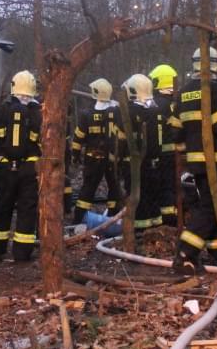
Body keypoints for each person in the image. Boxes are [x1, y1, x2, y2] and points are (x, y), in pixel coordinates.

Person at [0, 70, 42, 262]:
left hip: (3, 168)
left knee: (2, 209)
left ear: (13, 87)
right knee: (27, 210)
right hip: (29, 169)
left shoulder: (1, 109)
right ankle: (22, 254)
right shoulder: (39, 114)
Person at [171, 46, 217, 273]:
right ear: (215, 64)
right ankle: (185, 252)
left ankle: (216, 252)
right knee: (211, 207)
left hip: (194, 161)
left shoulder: (183, 92)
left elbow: (175, 132)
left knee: (212, 204)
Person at [70, 78, 124, 225]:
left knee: (88, 189)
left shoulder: (87, 114)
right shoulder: (117, 112)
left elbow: (78, 137)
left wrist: (75, 155)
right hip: (113, 158)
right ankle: (113, 217)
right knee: (114, 187)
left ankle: (79, 220)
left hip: (93, 158)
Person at [120, 74, 164, 230]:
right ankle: (156, 229)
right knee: (153, 197)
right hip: (155, 163)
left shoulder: (129, 111)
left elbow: (122, 140)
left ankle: (139, 231)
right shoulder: (156, 110)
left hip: (135, 164)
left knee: (139, 199)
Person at [149, 63, 180, 226]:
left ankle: (164, 221)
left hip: (156, 154)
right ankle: (172, 220)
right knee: (170, 187)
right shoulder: (174, 104)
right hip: (173, 153)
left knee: (159, 187)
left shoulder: (153, 104)